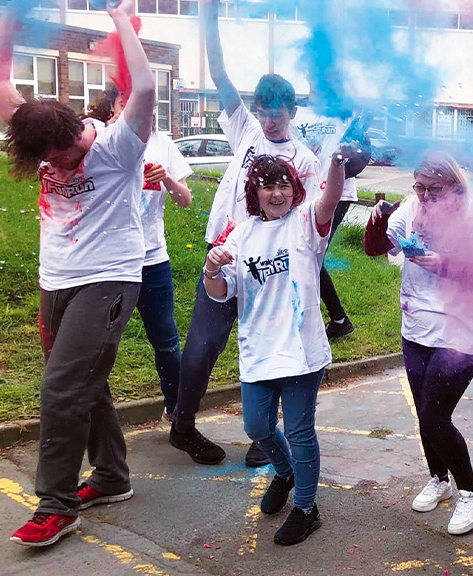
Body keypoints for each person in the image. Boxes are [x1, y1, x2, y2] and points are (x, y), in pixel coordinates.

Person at [0, 0, 155, 546]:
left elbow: (145, 88)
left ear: (72, 135)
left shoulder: (118, 146)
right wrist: (10, 15)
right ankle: (111, 476)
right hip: (55, 278)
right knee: (85, 381)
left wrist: (120, 19)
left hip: (108, 278)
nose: (52, 166)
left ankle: (55, 505)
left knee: (61, 388)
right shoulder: (38, 133)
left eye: (58, 157)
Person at [170, 0, 323, 467]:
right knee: (203, 344)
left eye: (279, 112)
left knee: (274, 345)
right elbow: (219, 74)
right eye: (264, 111)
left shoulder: (305, 160)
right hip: (225, 254)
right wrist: (209, 16)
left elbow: (312, 221)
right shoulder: (246, 130)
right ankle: (182, 425)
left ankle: (264, 435)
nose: (270, 120)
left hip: (274, 267)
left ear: (293, 111)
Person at [203, 151, 348, 545]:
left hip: (301, 350)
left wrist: (337, 161)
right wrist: (211, 268)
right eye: (268, 186)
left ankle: (306, 508)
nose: (277, 193)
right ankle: (284, 473)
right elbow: (221, 291)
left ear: (294, 188)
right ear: (255, 192)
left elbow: (331, 199)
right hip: (259, 349)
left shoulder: (305, 223)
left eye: (284, 184)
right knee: (257, 427)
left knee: (300, 432)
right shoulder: (241, 234)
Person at [367, 151, 473, 535]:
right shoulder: (410, 207)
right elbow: (376, 248)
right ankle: (439, 478)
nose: (423, 196)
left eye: (433, 190)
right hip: (416, 326)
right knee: (425, 414)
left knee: (435, 416)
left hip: (460, 331)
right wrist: (378, 221)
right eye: (419, 187)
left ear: (455, 186)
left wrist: (445, 265)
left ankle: (471, 491)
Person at [89, 86, 194, 421]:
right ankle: (92, 414)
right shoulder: (98, 141)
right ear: (112, 109)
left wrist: (168, 180)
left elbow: (185, 200)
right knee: (99, 344)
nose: (140, 111)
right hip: (109, 263)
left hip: (152, 260)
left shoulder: (163, 145)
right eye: (127, 104)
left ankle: (176, 411)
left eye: (146, 106)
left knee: (166, 340)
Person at [293, 105, 374, 339]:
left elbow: (362, 149)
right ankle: (335, 318)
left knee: (310, 256)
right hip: (307, 192)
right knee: (306, 255)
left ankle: (335, 318)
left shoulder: (345, 110)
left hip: (337, 193)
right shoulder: (297, 112)